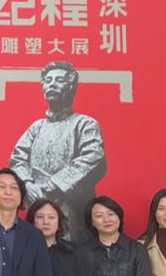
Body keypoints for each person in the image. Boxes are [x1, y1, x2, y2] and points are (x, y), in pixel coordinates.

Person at [9, 60, 107, 239]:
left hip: (73, 213)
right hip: (37, 206)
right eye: (48, 80)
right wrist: (28, 185)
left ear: (71, 87)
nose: (51, 84)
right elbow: (17, 160)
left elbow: (92, 158)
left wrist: (51, 185)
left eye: (59, 80)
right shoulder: (37, 127)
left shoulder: (85, 124)